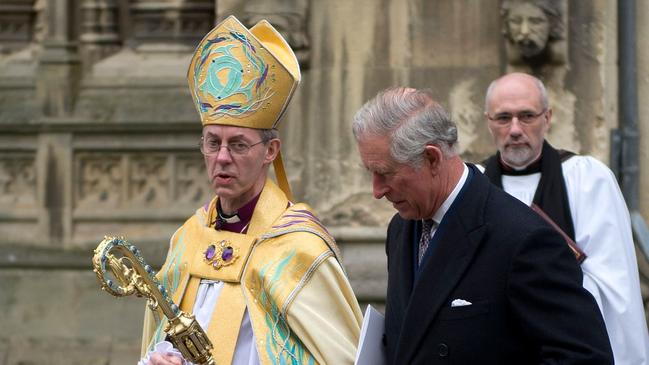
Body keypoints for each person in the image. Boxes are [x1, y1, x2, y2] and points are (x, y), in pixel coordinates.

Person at [139, 15, 362, 365]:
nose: (222, 158)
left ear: (270, 152)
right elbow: (161, 339)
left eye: (238, 145)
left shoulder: (299, 247)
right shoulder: (187, 240)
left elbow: (340, 357)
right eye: (213, 143)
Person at [352, 86, 613, 364]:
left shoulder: (524, 240)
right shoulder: (401, 229)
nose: (377, 191)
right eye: (371, 173)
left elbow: (585, 357)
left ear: (431, 159)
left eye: (384, 173)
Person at [482, 72, 649, 364]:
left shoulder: (588, 180)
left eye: (527, 116)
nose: (515, 129)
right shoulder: (475, 186)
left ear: (548, 118)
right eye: (504, 118)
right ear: (488, 122)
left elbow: (614, 291)